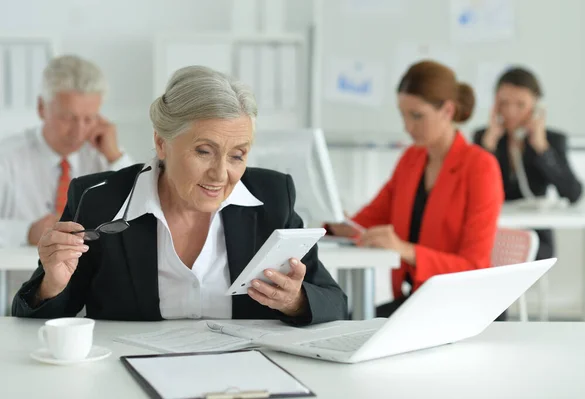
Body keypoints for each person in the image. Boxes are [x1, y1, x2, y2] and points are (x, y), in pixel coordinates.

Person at [12, 65, 347, 325]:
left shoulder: (273, 196)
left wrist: (296, 301)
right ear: (161, 143)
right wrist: (52, 284)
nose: (220, 174)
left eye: (237, 155)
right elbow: (33, 321)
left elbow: (334, 301)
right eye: (204, 151)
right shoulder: (99, 199)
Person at [326, 61, 504, 318]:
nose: (408, 127)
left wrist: (405, 250)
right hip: (416, 301)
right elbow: (368, 220)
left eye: (417, 116)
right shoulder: (412, 159)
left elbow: (474, 266)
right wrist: (337, 224)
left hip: (463, 307)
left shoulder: (480, 167)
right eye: (403, 115)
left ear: (447, 110)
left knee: (354, 326)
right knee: (346, 322)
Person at [0, 55, 133, 248]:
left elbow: (143, 214)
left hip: (93, 277)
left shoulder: (105, 154)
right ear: (41, 108)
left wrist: (116, 157)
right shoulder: (6, 157)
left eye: (89, 119)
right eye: (68, 118)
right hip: (24, 277)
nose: (79, 132)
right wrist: (27, 232)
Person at [473, 67, 583, 260]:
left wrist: (541, 148)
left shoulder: (552, 140)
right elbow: (472, 193)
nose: (510, 111)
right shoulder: (484, 138)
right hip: (493, 230)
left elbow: (573, 193)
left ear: (535, 107)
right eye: (504, 103)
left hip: (535, 235)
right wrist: (488, 147)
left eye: (520, 104)